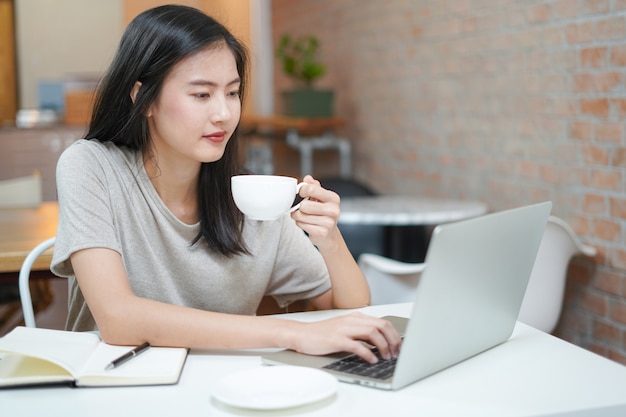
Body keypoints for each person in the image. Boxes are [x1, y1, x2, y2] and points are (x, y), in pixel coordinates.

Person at [51, 4, 400, 364]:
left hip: (223, 389)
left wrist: (330, 240)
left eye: (232, 93)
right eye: (202, 95)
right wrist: (292, 332)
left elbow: (348, 311)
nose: (224, 113)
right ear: (143, 99)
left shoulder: (252, 198)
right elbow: (118, 320)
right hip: (112, 390)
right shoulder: (90, 167)